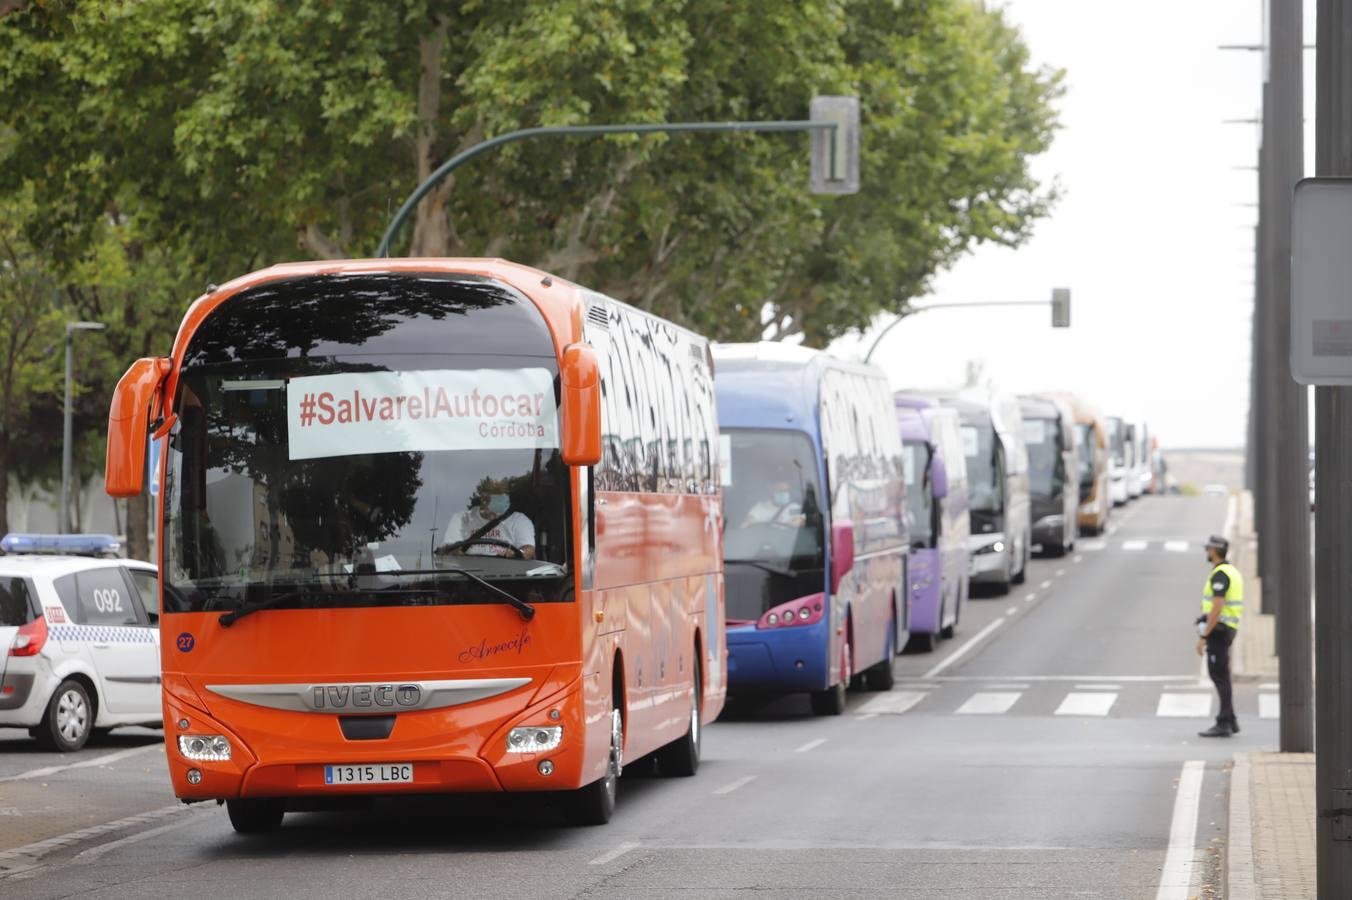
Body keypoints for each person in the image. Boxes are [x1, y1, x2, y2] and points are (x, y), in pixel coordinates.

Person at [1196, 534, 1244, 737]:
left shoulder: (1220, 574)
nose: (1207, 552)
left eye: (1208, 549)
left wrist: (1204, 636)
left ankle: (1223, 722)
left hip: (1219, 630)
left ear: (1214, 551)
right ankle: (1230, 719)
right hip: (1227, 628)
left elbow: (1217, 607)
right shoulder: (1231, 571)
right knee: (1221, 675)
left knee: (1219, 676)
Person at [437, 478, 535, 559]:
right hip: (467, 578)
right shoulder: (461, 519)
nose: (504, 496)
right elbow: (448, 550)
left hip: (506, 578)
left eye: (506, 493)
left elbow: (528, 550)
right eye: (498, 493)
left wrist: (517, 553)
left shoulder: (519, 520)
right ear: (484, 497)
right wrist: (453, 551)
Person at [741, 478, 805, 529]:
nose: (784, 493)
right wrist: (746, 523)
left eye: (786, 490)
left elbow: (804, 521)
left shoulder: (794, 507)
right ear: (771, 491)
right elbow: (746, 524)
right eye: (780, 490)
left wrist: (801, 522)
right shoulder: (760, 507)